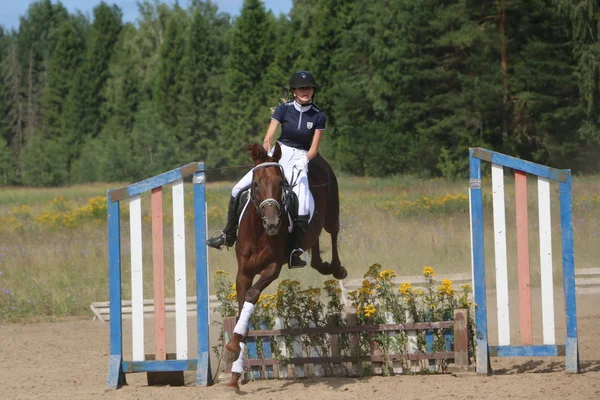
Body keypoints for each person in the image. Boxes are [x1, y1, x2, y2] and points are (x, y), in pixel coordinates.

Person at [206, 70, 325, 268]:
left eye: (309, 88)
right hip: (279, 154)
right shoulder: (283, 109)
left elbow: (314, 147)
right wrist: (265, 154)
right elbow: (269, 137)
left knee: (303, 206)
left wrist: (305, 160)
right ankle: (227, 235)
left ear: (313, 91)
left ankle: (295, 250)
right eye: (301, 88)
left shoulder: (319, 115)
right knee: (237, 189)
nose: (306, 91)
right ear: (294, 91)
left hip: (301, 158)